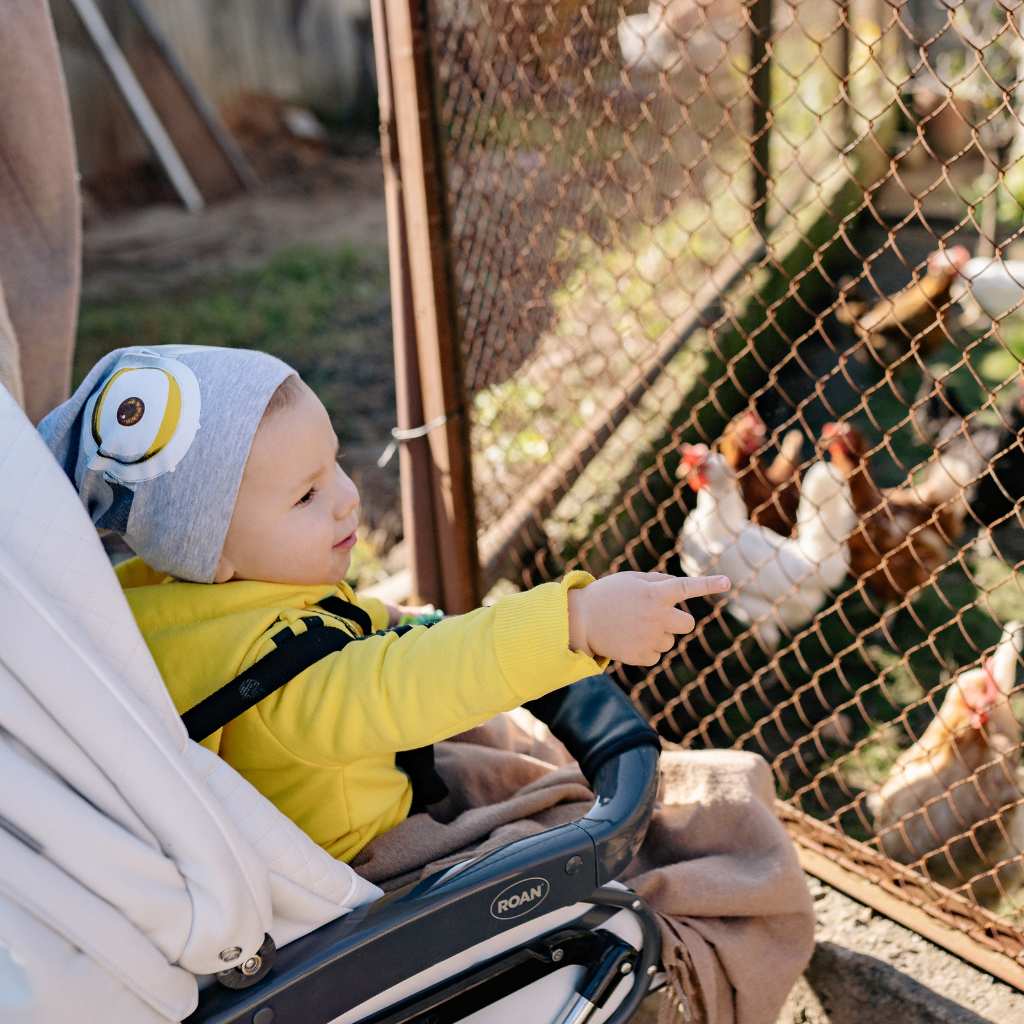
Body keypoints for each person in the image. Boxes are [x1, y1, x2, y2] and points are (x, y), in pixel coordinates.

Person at [39, 344, 730, 862]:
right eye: (306, 494)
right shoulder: (286, 685)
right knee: (702, 840)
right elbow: (418, 681)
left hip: (295, 816)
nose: (345, 495)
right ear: (210, 556)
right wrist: (577, 621)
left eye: (334, 461)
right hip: (364, 863)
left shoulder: (158, 596)